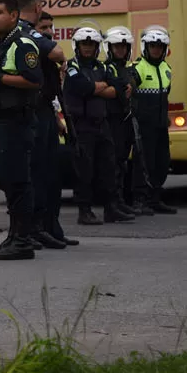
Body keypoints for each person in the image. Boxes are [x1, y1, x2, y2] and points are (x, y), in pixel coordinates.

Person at [0, 0, 43, 261]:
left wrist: (0, 77)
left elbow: (34, 80)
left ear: (14, 16)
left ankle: (23, 241)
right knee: (8, 181)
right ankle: (14, 236)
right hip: (0, 120)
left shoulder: (22, 43)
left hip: (16, 120)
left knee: (18, 181)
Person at [14, 0, 75, 251]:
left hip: (46, 112)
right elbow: (57, 54)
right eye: (44, 27)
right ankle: (34, 228)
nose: (48, 32)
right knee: (37, 174)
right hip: (31, 112)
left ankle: (51, 226)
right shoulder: (26, 35)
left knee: (51, 174)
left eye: (51, 27)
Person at [63, 27, 132, 226]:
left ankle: (112, 209)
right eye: (84, 44)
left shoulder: (102, 68)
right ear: (77, 46)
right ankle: (84, 211)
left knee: (109, 168)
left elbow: (119, 88)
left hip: (102, 125)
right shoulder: (71, 66)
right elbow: (81, 87)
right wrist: (99, 87)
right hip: (81, 126)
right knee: (84, 171)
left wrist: (95, 89)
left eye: (91, 44)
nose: (88, 48)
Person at [103, 27, 151, 216]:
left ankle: (120, 201)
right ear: (110, 48)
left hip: (125, 121)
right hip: (113, 121)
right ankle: (112, 205)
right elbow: (118, 90)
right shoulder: (108, 67)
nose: (121, 50)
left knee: (122, 163)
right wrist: (125, 88)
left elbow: (130, 88)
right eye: (117, 47)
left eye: (124, 46)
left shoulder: (125, 68)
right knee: (113, 164)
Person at [133, 26, 177, 214]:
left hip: (160, 126)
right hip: (144, 126)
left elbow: (165, 95)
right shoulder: (138, 68)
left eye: (160, 46)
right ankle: (139, 200)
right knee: (143, 164)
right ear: (146, 47)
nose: (156, 49)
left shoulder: (166, 69)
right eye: (153, 46)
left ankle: (155, 199)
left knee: (162, 162)